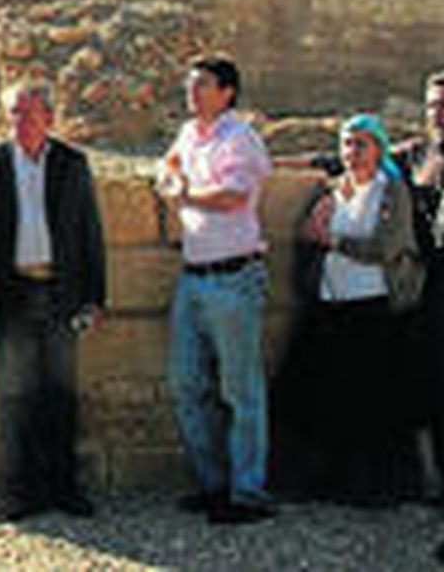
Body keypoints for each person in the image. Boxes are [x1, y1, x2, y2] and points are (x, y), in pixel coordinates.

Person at [0, 81, 105, 520]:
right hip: (11, 292)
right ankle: (21, 490)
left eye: (29, 113)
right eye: (14, 113)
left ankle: (65, 487)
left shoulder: (72, 164)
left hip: (60, 293)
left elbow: (89, 232)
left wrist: (94, 297)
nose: (21, 121)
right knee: (15, 394)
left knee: (60, 392)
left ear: (49, 118)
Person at [274, 113, 424, 505]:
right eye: (346, 144)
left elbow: (388, 248)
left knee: (373, 404)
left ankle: (378, 488)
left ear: (378, 149)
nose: (352, 152)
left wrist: (335, 241)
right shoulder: (333, 190)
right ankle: (330, 484)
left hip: (372, 310)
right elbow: (310, 238)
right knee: (328, 400)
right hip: (330, 305)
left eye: (361, 144)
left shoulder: (389, 190)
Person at [157, 55, 275, 524]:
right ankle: (213, 485)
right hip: (194, 276)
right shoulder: (191, 134)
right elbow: (167, 161)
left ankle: (248, 492)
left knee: (240, 390)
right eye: (191, 84)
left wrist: (181, 195)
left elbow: (233, 197)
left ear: (227, 91)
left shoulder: (239, 137)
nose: (193, 92)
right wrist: (170, 177)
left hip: (233, 277)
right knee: (186, 383)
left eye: (202, 84)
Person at [413, 71, 444, 561]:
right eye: (430, 106)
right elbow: (346, 156)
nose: (436, 114)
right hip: (438, 302)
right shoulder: (424, 155)